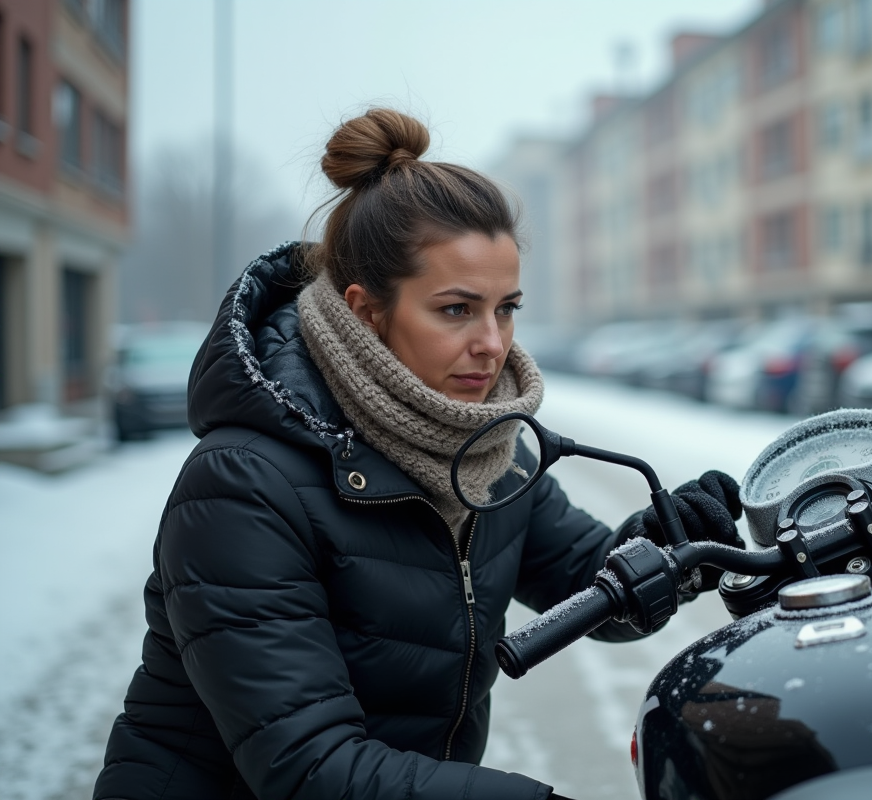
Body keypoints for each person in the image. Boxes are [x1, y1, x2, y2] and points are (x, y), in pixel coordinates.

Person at [93, 108, 744, 800]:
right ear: (367, 310)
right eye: (457, 309)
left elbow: (590, 586)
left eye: (506, 307)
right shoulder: (242, 486)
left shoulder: (490, 451)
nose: (493, 343)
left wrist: (667, 549)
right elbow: (312, 768)